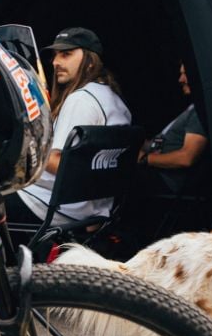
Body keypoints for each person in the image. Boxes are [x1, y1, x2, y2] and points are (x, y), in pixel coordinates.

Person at [8, 26, 132, 231]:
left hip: (53, 207)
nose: (56, 62)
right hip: (93, 208)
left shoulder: (81, 100)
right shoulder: (114, 98)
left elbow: (63, 164)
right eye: (55, 55)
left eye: (66, 54)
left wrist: (26, 146)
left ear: (90, 61)